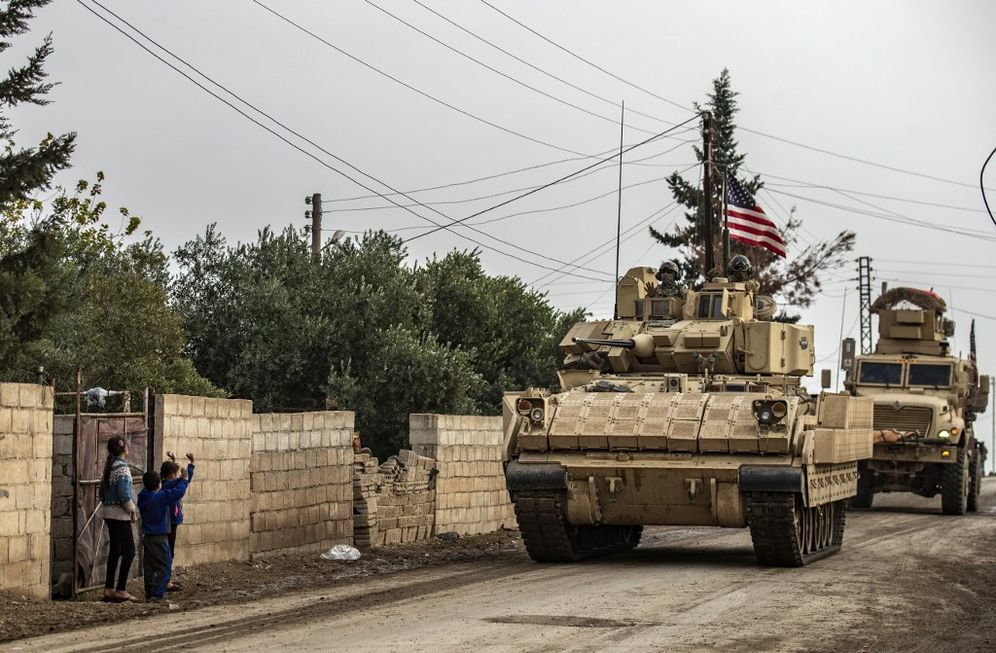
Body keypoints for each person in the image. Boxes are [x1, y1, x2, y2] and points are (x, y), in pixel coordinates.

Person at [137, 468, 190, 602]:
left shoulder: (143, 496)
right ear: (158, 485)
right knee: (165, 565)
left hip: (147, 537)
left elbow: (168, 487)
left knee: (149, 566)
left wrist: (178, 480)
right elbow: (178, 492)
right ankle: (157, 594)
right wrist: (184, 480)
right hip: (159, 537)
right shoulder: (160, 497)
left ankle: (149, 592)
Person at [97, 436, 139, 603]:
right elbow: (124, 495)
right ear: (124, 449)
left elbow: (101, 493)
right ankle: (121, 589)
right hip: (120, 516)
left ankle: (109, 589)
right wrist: (132, 511)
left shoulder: (109, 467)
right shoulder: (123, 468)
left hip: (108, 514)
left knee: (115, 550)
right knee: (129, 551)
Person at [160, 451, 195, 590]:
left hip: (169, 521)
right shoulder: (168, 485)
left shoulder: (165, 483)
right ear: (171, 475)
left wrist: (175, 461)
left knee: (168, 551)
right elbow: (184, 481)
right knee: (169, 551)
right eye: (176, 474)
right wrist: (190, 466)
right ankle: (165, 581)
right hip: (171, 522)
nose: (178, 476)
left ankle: (165, 579)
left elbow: (182, 480)